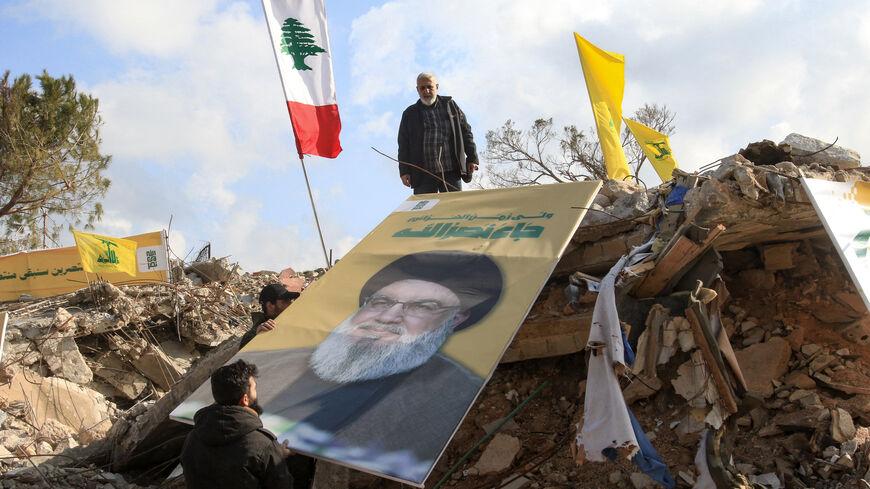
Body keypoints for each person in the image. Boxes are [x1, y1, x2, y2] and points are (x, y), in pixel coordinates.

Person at [241, 251, 504, 483]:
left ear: (456, 319)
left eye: (422, 307)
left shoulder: (451, 393)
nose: (388, 316)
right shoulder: (280, 355)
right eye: (382, 302)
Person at [181, 359, 294, 489]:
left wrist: (272, 455)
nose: (256, 393)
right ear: (245, 399)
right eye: (254, 388)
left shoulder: (192, 439)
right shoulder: (263, 444)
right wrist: (274, 457)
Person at [397, 72, 479, 194]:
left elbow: (466, 132)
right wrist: (404, 171)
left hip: (451, 170)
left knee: (454, 209)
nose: (426, 91)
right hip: (423, 173)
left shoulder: (450, 106)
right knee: (425, 211)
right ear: (417, 89)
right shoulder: (410, 114)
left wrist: (472, 158)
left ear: (437, 87)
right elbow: (403, 144)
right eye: (422, 88)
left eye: (430, 87)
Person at [240, 283, 300, 348]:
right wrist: (258, 334)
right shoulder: (259, 330)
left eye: (290, 300)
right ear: (270, 306)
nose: (290, 304)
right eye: (285, 301)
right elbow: (244, 346)